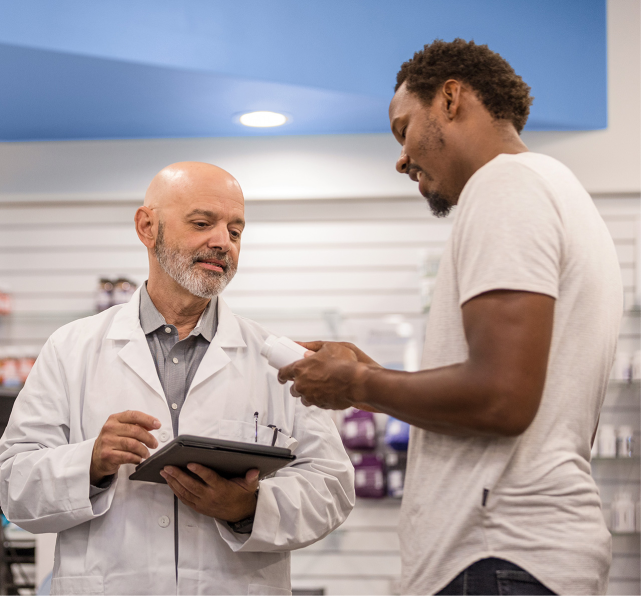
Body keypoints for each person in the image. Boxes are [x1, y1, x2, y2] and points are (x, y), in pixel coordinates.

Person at [278, 39, 622, 596]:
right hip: (521, 557)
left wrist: (357, 382)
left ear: (451, 98)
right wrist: (371, 387)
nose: (400, 158)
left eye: (402, 129)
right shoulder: (558, 191)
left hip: (496, 555)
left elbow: (500, 398)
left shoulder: (505, 185)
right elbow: (519, 396)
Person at [0, 162, 354, 596]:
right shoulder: (70, 348)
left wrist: (249, 508)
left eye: (236, 231)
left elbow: (332, 486)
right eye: (203, 223)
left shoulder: (275, 359)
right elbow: (13, 485)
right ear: (147, 227)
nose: (223, 241)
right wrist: (89, 462)